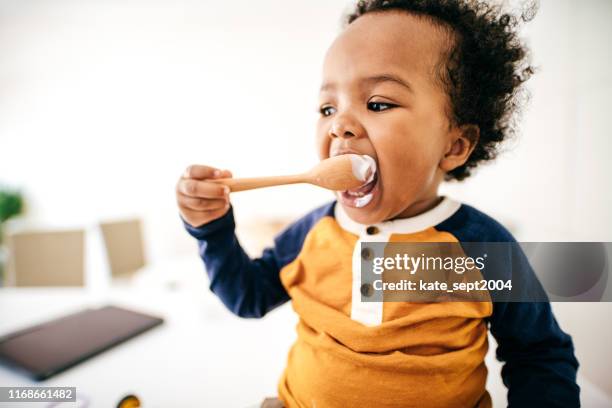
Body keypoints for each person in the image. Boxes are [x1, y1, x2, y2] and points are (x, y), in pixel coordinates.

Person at [175, 0, 579, 406]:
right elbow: (247, 296)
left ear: (454, 145)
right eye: (328, 108)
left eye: (378, 103)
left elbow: (539, 355)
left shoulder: (483, 249)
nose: (340, 125)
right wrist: (212, 229)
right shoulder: (312, 233)